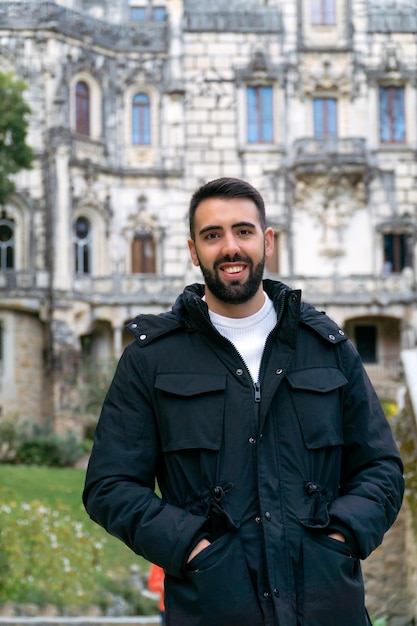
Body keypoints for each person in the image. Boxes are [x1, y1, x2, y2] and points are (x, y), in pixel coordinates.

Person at [83, 177, 404, 626]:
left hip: (328, 609)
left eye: (244, 231)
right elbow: (109, 485)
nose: (230, 247)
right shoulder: (151, 359)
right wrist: (192, 548)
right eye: (213, 236)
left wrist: (342, 536)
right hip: (213, 608)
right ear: (194, 251)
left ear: (267, 241)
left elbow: (381, 468)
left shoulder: (327, 346)